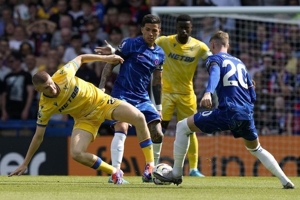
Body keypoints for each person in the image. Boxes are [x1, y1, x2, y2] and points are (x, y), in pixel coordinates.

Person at [153, 30, 295, 189]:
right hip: (246, 113)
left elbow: (214, 74)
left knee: (182, 126)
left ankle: (176, 173)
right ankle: (285, 180)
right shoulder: (240, 63)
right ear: (228, 45)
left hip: (228, 111)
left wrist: (208, 92)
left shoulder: (214, 59)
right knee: (256, 148)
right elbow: (253, 96)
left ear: (212, 44)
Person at [8, 53, 156, 185]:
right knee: (76, 153)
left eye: (51, 84)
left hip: (102, 103)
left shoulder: (63, 74)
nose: (52, 89)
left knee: (139, 117)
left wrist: (107, 58)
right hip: (85, 119)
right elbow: (38, 136)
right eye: (47, 88)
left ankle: (150, 165)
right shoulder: (45, 107)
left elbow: (81, 58)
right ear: (38, 90)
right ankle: (115, 172)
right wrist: (25, 163)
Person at [95, 14, 165, 183]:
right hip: (122, 94)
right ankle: (115, 173)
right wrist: (102, 85)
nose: (150, 33)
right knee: (122, 127)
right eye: (147, 30)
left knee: (158, 134)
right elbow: (111, 63)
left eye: (154, 31)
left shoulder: (160, 54)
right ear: (142, 30)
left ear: (159, 32)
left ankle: (150, 169)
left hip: (142, 98)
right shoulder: (130, 44)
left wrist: (159, 106)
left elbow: (157, 81)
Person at [154, 14, 212, 177]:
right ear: (176, 28)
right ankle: (153, 165)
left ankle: (193, 168)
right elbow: (147, 45)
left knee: (190, 131)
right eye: (181, 28)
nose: (184, 30)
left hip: (187, 95)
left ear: (191, 28)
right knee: (159, 128)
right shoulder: (165, 41)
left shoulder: (199, 47)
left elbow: (214, 61)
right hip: (167, 93)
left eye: (187, 27)